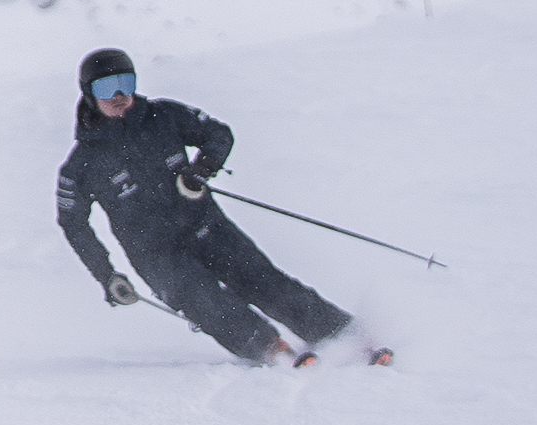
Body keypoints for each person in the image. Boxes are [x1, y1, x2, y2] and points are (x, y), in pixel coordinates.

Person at [53, 46, 378, 367]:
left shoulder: (164, 116)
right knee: (205, 300)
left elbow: (217, 134)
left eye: (126, 82)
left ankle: (345, 336)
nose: (119, 94)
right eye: (106, 87)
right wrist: (107, 276)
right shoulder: (81, 164)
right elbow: (73, 224)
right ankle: (272, 349)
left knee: (262, 279)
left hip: (205, 225)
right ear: (89, 95)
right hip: (156, 254)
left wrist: (201, 170)